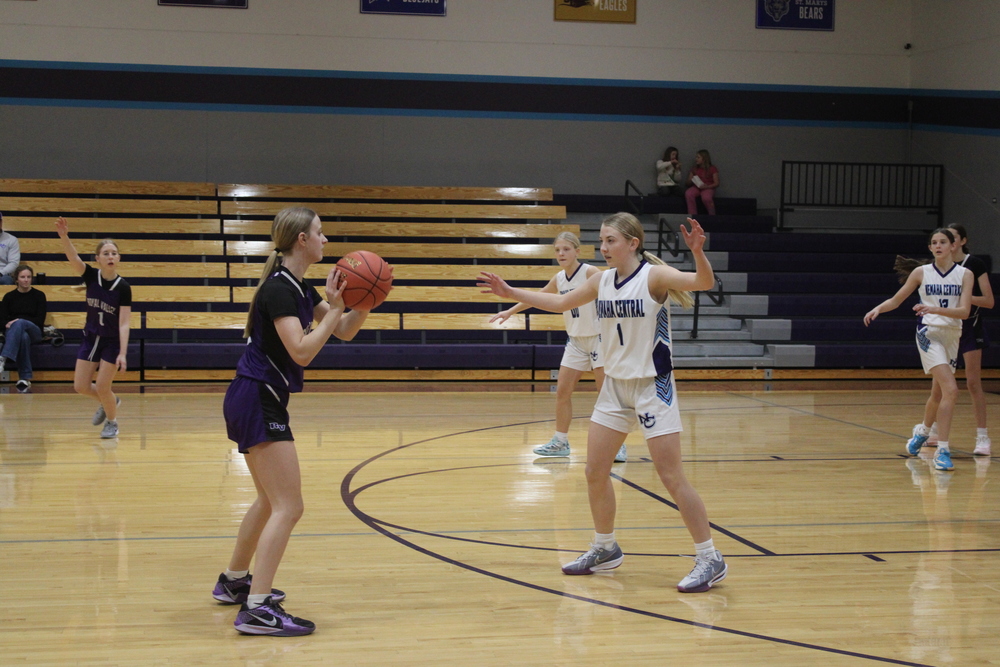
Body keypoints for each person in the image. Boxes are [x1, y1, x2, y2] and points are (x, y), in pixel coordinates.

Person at [479, 212, 728, 593]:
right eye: (602, 241)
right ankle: (605, 547)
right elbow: (561, 302)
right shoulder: (603, 281)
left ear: (633, 243)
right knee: (594, 471)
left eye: (611, 240)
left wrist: (697, 252)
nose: (604, 248)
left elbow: (703, 282)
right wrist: (512, 294)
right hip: (614, 387)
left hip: (652, 386)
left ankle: (710, 557)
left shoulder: (653, 277)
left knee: (671, 476)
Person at [216, 207, 374, 637]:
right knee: (290, 505)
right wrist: (339, 305)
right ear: (301, 240)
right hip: (257, 398)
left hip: (253, 397)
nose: (326, 239)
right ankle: (258, 609)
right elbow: (302, 351)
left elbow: (342, 331)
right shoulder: (279, 292)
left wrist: (365, 302)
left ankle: (234, 581)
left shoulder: (297, 287)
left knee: (270, 501)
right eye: (320, 232)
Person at [490, 232, 625, 462]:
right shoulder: (559, 278)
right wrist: (510, 311)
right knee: (562, 392)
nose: (561, 254)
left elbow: (616, 294)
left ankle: (616, 446)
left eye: (566, 249)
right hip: (575, 341)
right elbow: (537, 297)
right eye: (557, 250)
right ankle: (560, 441)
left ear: (577, 251)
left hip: (599, 338)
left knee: (606, 395)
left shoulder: (591, 273)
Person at [864, 228, 974, 472]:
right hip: (928, 334)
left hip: (952, 335)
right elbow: (896, 299)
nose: (938, 246)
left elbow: (965, 312)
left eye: (942, 242)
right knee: (952, 390)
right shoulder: (921, 272)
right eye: (934, 242)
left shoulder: (965, 275)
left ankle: (923, 432)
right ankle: (943, 450)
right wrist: (878, 309)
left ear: (953, 245)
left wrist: (935, 309)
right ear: (930, 247)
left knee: (938, 394)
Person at [920, 223, 994, 457]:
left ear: (960, 242)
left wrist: (960, 294)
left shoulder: (972, 266)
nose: (944, 244)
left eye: (950, 239)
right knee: (940, 388)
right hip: (944, 329)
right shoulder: (936, 268)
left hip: (969, 326)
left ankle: (982, 436)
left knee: (973, 383)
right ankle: (929, 431)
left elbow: (989, 301)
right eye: (939, 241)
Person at [55, 217, 131, 439]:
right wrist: (64, 236)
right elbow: (73, 257)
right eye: (105, 253)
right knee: (80, 386)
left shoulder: (123, 288)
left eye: (113, 253)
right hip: (90, 338)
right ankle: (111, 402)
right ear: (98, 258)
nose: (110, 256)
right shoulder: (90, 276)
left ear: (118, 258)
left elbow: (124, 322)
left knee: (103, 385)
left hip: (111, 342)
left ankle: (112, 422)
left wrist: (124, 353)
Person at [0, 264, 47, 391]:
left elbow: (39, 320)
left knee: (21, 324)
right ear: (16, 279)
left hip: (35, 331)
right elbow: (2, 320)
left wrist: (18, 321)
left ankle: (3, 357)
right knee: (23, 337)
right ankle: (24, 378)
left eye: (29, 277)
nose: (26, 280)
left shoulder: (39, 295)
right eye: (22, 277)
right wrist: (7, 323)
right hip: (16, 332)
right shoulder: (9, 297)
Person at [685, 149, 720, 216]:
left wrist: (707, 186)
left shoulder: (712, 168)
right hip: (697, 187)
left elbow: (716, 183)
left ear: (704, 159)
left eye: (698, 157)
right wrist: (691, 179)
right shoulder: (695, 169)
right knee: (689, 193)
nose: (696, 159)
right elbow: (687, 183)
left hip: (708, 187)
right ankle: (693, 214)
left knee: (706, 197)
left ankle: (712, 214)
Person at [0, 211, 21, 286]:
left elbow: (14, 263)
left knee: (7, 280)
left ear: (1, 222)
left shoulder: (11, 239)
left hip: (2, 274)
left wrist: (1, 273)